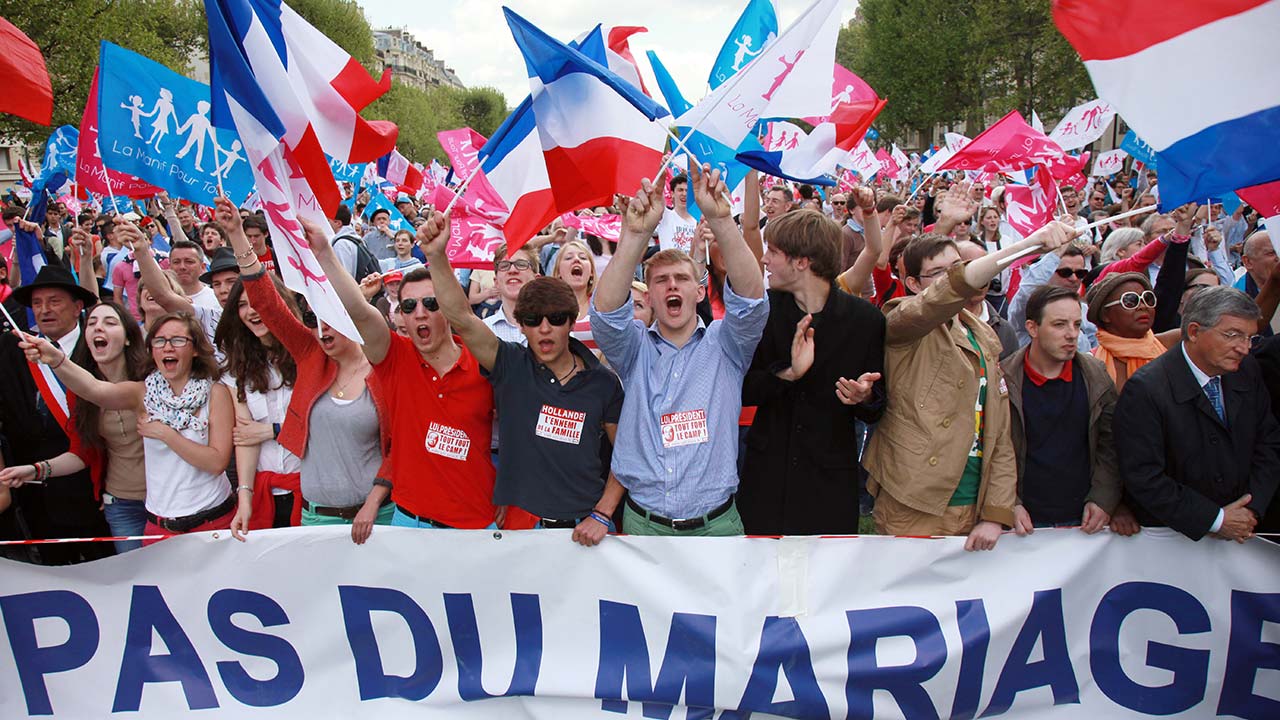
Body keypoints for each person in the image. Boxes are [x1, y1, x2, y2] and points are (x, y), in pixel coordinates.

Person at [863, 183, 1078, 551]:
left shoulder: (985, 332)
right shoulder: (901, 322)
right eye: (941, 272)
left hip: (972, 498)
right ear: (913, 284)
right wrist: (1030, 244)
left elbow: (998, 430)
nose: (958, 277)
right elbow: (939, 300)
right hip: (915, 497)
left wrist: (997, 510)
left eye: (959, 267)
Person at [420, 214, 625, 545]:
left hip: (586, 530)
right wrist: (436, 257)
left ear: (572, 322)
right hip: (520, 529)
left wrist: (602, 513)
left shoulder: (603, 383)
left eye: (556, 319)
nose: (545, 328)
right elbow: (460, 317)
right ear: (522, 325)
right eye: (533, 320)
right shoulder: (510, 364)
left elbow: (627, 453)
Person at [591, 164, 767, 536]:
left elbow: (752, 302)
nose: (672, 285)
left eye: (682, 279)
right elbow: (605, 316)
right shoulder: (634, 348)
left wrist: (722, 221)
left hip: (714, 528)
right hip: (645, 526)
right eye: (661, 281)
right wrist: (635, 236)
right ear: (650, 296)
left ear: (699, 291)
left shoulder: (727, 344)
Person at [213, 198, 393, 543]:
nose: (323, 330)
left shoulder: (383, 367)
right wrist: (237, 235)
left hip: (377, 519)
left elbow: (398, 446)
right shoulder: (311, 356)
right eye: (314, 320)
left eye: (333, 321)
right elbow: (267, 304)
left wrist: (373, 502)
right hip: (315, 520)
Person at [308, 212, 498, 530]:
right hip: (409, 525)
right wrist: (325, 254)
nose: (420, 313)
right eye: (409, 307)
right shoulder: (395, 357)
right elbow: (358, 310)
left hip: (475, 525)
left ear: (448, 308)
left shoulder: (484, 361)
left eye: (431, 303)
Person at [20, 311, 236, 544]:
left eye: (178, 340)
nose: (168, 347)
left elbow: (216, 462)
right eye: (160, 341)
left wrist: (166, 434)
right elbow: (95, 390)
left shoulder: (215, 392)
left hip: (213, 520)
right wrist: (56, 360)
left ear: (194, 349)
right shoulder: (142, 392)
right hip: (160, 527)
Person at [738, 209, 886, 535]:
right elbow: (743, 388)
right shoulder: (764, 312)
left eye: (773, 252)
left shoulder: (864, 320)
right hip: (767, 479)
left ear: (801, 261)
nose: (764, 260)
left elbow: (878, 403)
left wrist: (864, 395)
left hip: (829, 482)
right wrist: (788, 373)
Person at [1114, 287, 1279, 541]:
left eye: (1250, 338)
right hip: (1175, 542)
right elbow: (1143, 475)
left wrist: (1250, 509)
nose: (1243, 348)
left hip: (1246, 528)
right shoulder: (1147, 388)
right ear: (1194, 331)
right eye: (1232, 335)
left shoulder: (1247, 370)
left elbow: (1268, 442)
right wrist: (1214, 519)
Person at [0, 302, 151, 552]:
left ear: (127, 337)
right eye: (91, 323)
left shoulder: (151, 380)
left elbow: (99, 391)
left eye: (110, 323)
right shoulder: (78, 393)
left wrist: (57, 360)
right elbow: (83, 452)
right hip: (120, 505)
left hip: (164, 504)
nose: (98, 328)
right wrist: (36, 470)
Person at [0, 266, 113, 563]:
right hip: (40, 494)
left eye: (54, 301)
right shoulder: (14, 349)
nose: (44, 310)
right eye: (37, 303)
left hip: (98, 490)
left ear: (78, 307)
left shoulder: (99, 344)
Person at [1002, 286, 1122, 534]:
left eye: (1077, 325)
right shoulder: (1003, 379)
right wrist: (1008, 503)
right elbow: (993, 448)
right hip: (1023, 522)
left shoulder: (1096, 375)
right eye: (1059, 325)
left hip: (1084, 519)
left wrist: (1103, 497)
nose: (1071, 334)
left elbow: (1112, 444)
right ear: (1032, 328)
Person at [220, 276, 303, 534]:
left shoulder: (308, 355)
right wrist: (245, 496)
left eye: (259, 301)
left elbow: (318, 424)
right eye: (243, 304)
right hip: (264, 491)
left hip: (310, 490)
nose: (252, 311)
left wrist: (271, 431)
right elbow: (246, 437)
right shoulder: (237, 368)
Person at [1084, 271, 1179, 392]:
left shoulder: (1173, 344)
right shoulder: (1090, 364)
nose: (1143, 306)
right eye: (1130, 301)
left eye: (1147, 298)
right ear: (1105, 315)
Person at [1007, 244, 1097, 352]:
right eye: (1065, 272)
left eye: (1080, 273)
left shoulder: (1085, 310)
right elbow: (1029, 287)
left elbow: (1095, 346)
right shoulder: (1030, 305)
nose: (1074, 278)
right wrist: (1056, 253)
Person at [955, 240, 1020, 359]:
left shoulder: (1004, 330)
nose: (980, 277)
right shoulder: (939, 326)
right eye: (972, 269)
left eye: (985, 270)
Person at [484, 243, 540, 343]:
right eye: (504, 266)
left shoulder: (555, 327)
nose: (512, 270)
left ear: (536, 279)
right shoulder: (483, 330)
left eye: (521, 264)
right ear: (496, 282)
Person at [549, 240, 598, 350]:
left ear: (591, 272)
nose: (576, 260)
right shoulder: (547, 308)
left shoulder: (601, 306)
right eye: (568, 258)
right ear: (558, 273)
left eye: (583, 258)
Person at [168, 240, 220, 310]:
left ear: (202, 267)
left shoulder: (217, 299)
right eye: (176, 262)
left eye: (189, 262)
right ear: (169, 267)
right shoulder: (160, 300)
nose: (182, 267)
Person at [655, 173, 697, 253]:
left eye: (687, 191)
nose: (684, 194)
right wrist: (662, 174)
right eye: (680, 190)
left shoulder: (698, 221)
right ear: (672, 194)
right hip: (668, 264)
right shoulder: (666, 215)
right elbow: (658, 192)